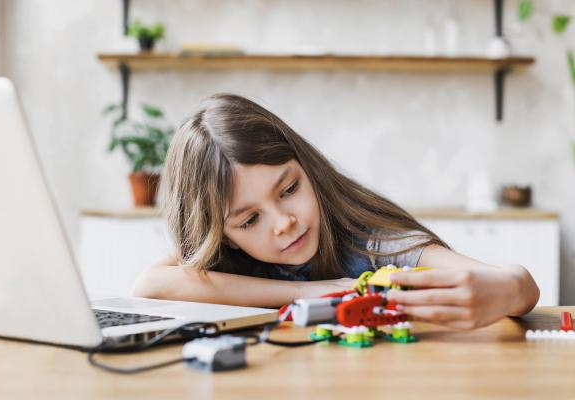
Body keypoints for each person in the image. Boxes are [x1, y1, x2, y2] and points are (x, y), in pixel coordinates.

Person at [133, 94, 539, 330]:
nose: (283, 223)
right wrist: (303, 292)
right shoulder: (225, 261)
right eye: (250, 219)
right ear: (220, 235)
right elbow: (150, 284)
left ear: (308, 168)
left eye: (289, 189)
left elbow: (514, 285)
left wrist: (514, 287)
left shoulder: (371, 243)